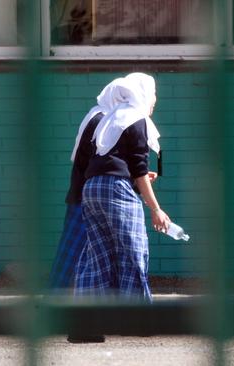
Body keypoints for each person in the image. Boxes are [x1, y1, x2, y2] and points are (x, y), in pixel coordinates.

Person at [49, 78, 158, 289]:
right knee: (94, 256)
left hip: (85, 192)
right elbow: (101, 162)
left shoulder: (102, 116)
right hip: (91, 196)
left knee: (86, 258)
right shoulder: (108, 118)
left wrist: (132, 179)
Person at [74, 72, 170, 302]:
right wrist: (156, 209)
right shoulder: (137, 119)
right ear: (144, 94)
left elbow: (107, 159)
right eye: (153, 93)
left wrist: (134, 176)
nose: (154, 99)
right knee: (133, 251)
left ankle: (85, 321)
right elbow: (138, 167)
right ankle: (136, 317)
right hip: (116, 190)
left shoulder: (112, 116)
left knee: (98, 255)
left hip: (92, 188)